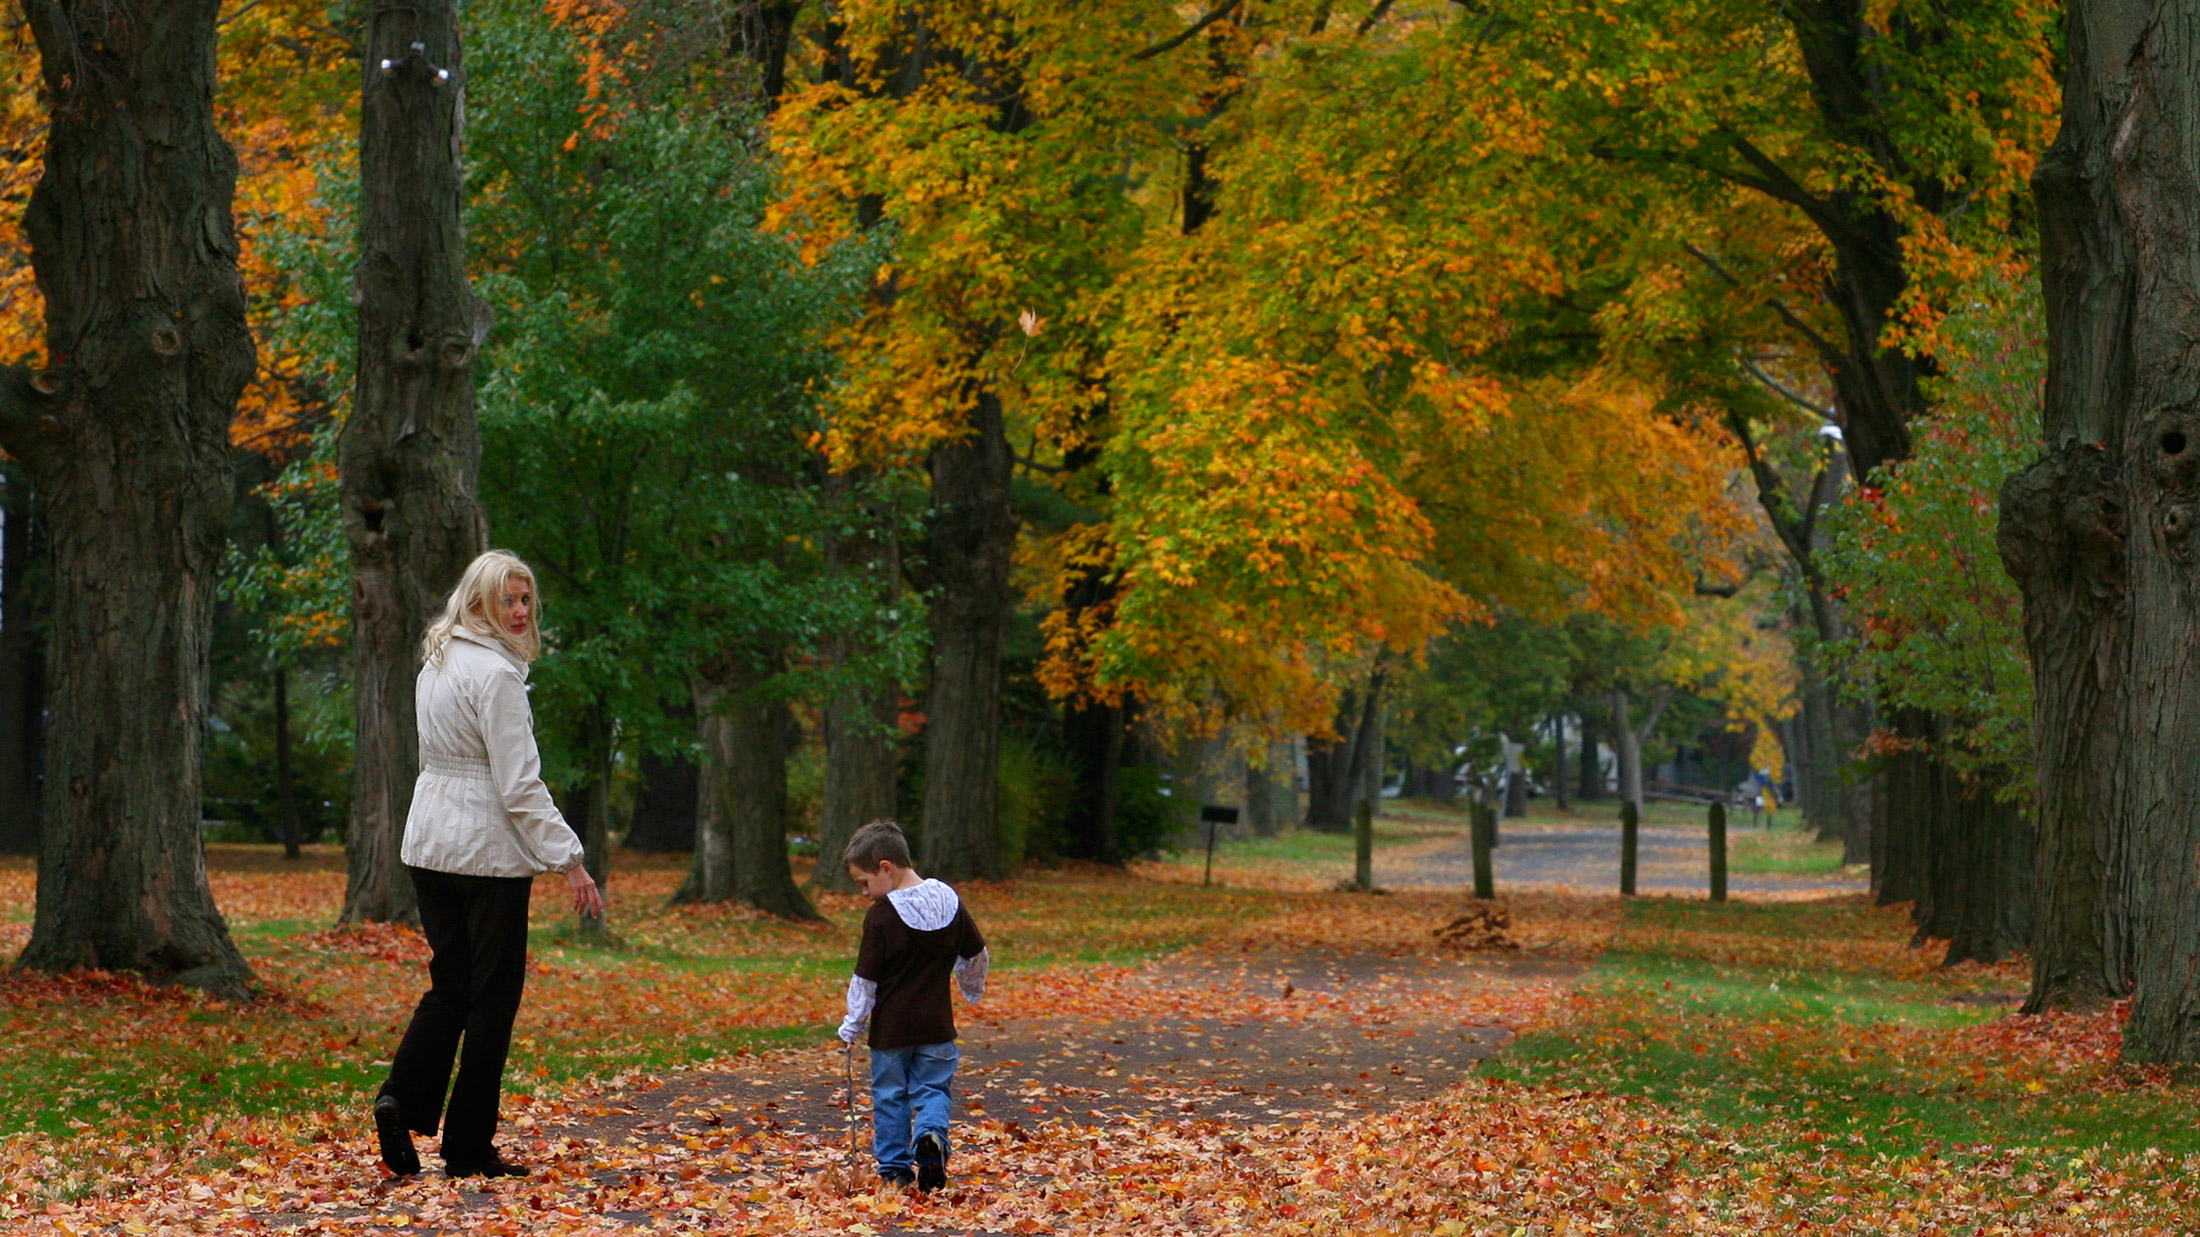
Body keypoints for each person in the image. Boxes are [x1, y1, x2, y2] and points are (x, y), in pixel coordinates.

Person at [372, 550, 604, 1179]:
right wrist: (571, 860)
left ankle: (401, 1097)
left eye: (526, 599)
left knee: (450, 985)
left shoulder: (438, 661)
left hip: (429, 845)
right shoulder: (496, 676)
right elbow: (519, 787)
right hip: (485, 856)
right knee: (491, 1001)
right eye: (509, 600)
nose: (522, 611)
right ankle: (468, 1147)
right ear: (478, 604)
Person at [836, 820, 988, 1192]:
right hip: (937, 1026)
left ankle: (894, 1170)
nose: (864, 894)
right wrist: (970, 987)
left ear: (886, 868)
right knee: (933, 1090)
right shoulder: (949, 902)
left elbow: (865, 981)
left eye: (864, 883)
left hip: (891, 1032)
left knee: (891, 1097)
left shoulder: (882, 916)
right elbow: (976, 954)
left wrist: (852, 1025)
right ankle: (931, 1140)